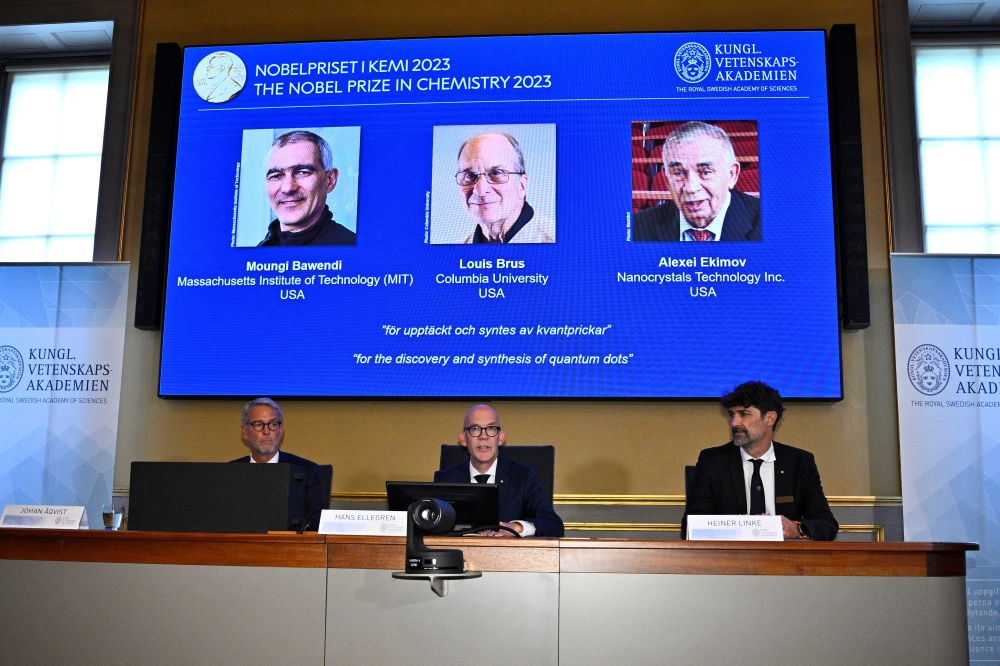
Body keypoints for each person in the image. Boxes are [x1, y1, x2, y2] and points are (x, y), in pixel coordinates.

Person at [684, 381, 838, 540]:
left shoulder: (800, 463)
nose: (734, 422)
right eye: (732, 414)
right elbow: (690, 524)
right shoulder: (713, 461)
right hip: (730, 559)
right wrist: (742, 528)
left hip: (784, 560)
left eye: (744, 414)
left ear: (770, 418)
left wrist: (796, 528)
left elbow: (827, 525)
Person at [434, 404, 564, 537]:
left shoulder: (523, 477)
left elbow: (553, 525)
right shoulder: (445, 479)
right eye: (475, 429)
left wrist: (515, 528)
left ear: (501, 438)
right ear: (463, 439)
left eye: (491, 428)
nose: (483, 436)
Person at [632, 121, 761, 242]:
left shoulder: (770, 223)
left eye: (705, 172)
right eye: (678, 173)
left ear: (732, 175)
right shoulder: (638, 227)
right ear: (666, 178)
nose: (691, 188)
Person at [230, 397, 329, 530]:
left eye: (273, 424)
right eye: (258, 424)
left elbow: (315, 524)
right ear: (244, 432)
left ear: (281, 430)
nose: (267, 431)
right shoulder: (229, 472)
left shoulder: (308, 471)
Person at [257, 130, 356, 246]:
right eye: (276, 176)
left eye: (303, 173)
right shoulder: (259, 252)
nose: (288, 188)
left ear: (330, 180)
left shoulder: (351, 247)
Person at [454, 132, 555, 244]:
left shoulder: (561, 243)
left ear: (522, 185)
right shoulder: (454, 252)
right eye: (470, 176)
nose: (480, 190)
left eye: (496, 173)